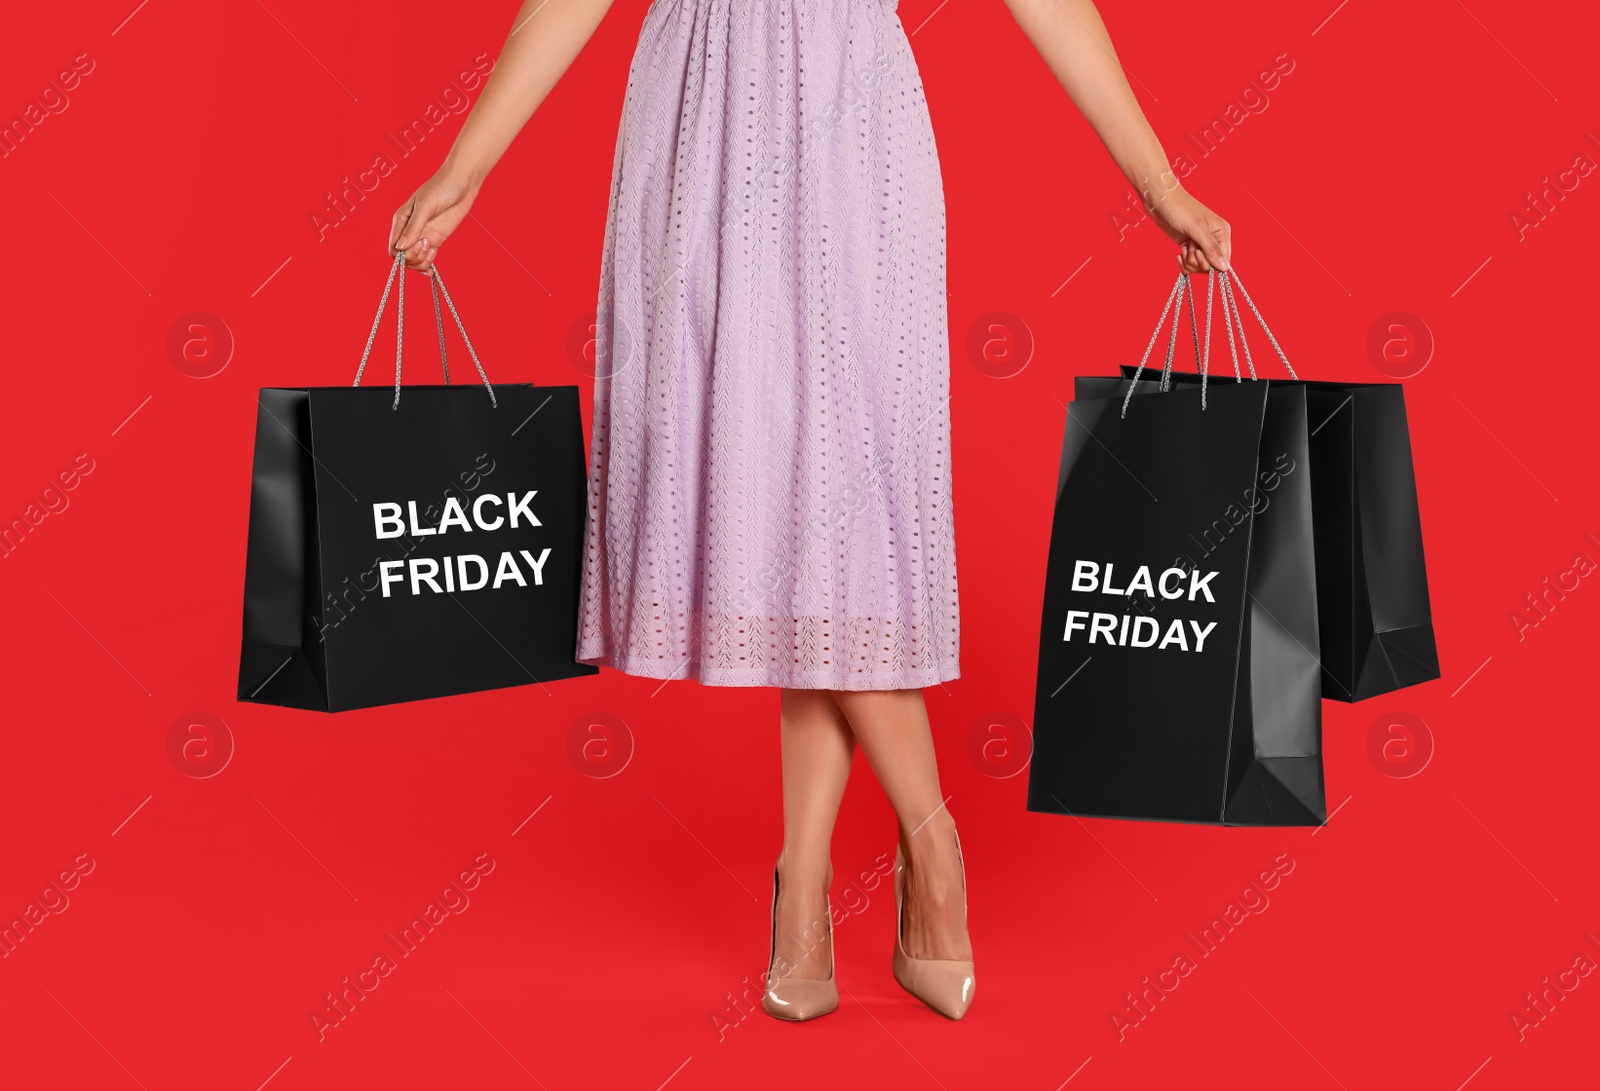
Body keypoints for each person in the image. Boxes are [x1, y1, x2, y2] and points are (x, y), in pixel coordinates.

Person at [390, 0, 1231, 1023]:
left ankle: (908, 850)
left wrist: (1159, 184)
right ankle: (817, 878)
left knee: (840, 525)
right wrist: (467, 166)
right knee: (780, 516)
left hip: (851, 140)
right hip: (696, 136)